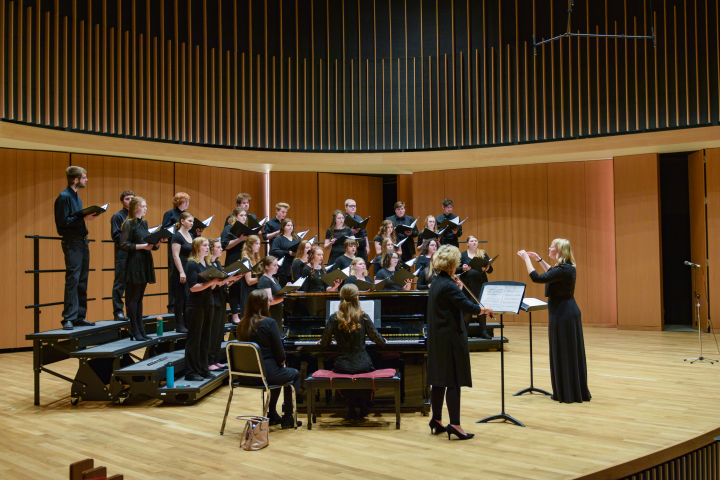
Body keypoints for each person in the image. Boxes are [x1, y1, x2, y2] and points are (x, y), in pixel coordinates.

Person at [427, 245, 493, 440]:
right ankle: (455, 425)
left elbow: (452, 303)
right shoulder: (448, 285)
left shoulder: (438, 282)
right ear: (452, 264)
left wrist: (460, 290)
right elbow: (469, 307)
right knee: (454, 382)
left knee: (438, 381)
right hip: (450, 339)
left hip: (438, 338)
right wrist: (484, 309)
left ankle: (436, 420)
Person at [518, 239, 591, 404]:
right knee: (567, 351)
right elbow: (552, 272)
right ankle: (570, 389)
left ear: (558, 250)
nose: (549, 248)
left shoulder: (564, 269)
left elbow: (537, 278)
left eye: (551, 246)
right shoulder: (565, 268)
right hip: (564, 312)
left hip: (564, 314)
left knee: (565, 351)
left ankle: (568, 392)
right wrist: (539, 260)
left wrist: (527, 260)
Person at [237, 289, 301, 428]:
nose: (269, 303)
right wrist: (282, 363)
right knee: (293, 374)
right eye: (269, 301)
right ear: (263, 305)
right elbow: (280, 354)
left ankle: (271, 414)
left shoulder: (241, 324)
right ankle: (288, 418)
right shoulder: (269, 323)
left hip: (245, 375)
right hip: (266, 374)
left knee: (277, 372)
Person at [320, 284, 387, 418]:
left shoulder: (334, 318)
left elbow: (324, 344)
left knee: (348, 370)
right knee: (368, 364)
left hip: (342, 365)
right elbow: (379, 341)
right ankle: (364, 404)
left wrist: (327, 342)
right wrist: (383, 339)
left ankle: (350, 406)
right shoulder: (364, 317)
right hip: (362, 363)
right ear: (357, 298)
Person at [54, 166, 98, 330]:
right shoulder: (64, 197)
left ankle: (79, 315)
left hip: (81, 241)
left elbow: (75, 218)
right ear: (76, 179)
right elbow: (62, 223)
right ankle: (68, 317)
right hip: (72, 241)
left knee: (82, 278)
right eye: (84, 177)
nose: (86, 180)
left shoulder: (76, 197)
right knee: (73, 278)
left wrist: (84, 217)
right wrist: (83, 218)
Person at [120, 197, 163, 340]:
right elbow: (124, 245)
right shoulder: (128, 223)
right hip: (134, 262)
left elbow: (148, 244)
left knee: (139, 298)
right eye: (142, 206)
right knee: (133, 297)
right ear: (135, 208)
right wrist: (144, 246)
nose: (145, 208)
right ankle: (134, 329)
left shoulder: (144, 223)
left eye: (145, 206)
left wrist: (157, 243)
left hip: (145, 261)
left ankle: (140, 329)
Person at [184, 237, 222, 381]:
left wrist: (222, 281)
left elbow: (210, 286)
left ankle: (203, 369)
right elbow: (193, 287)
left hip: (208, 303)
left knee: (206, 338)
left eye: (208, 245)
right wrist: (212, 282)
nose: (208, 248)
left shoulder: (206, 265)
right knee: (194, 339)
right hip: (195, 305)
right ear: (197, 248)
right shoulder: (192, 264)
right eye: (204, 245)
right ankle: (191, 372)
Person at [207, 238, 240, 371]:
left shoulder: (218, 264)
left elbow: (221, 282)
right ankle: (209, 361)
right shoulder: (208, 264)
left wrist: (230, 281)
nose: (221, 249)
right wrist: (227, 279)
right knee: (212, 332)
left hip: (220, 299)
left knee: (219, 331)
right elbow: (211, 285)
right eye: (218, 247)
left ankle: (215, 360)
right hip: (212, 301)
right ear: (211, 249)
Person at [458, 235, 493, 339]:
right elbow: (456, 269)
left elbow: (490, 270)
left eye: (476, 241)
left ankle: (483, 331)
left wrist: (487, 268)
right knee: (467, 310)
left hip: (480, 284)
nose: (474, 242)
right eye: (472, 241)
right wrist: (463, 269)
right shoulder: (462, 255)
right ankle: (465, 332)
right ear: (467, 243)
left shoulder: (482, 253)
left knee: (482, 308)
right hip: (467, 285)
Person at [162, 192, 191, 313]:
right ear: (178, 202)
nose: (187, 204)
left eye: (188, 201)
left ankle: (186, 303)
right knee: (175, 276)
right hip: (175, 246)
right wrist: (177, 226)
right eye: (185, 201)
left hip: (187, 248)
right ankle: (172, 305)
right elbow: (164, 229)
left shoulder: (188, 215)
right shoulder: (170, 213)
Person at [221, 207, 249, 323]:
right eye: (241, 215)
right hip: (233, 259)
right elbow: (225, 245)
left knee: (243, 287)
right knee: (233, 287)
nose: (244, 217)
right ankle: (234, 315)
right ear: (235, 217)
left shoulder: (245, 229)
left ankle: (244, 314)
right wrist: (240, 239)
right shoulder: (229, 228)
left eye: (245, 215)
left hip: (244, 258)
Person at [110, 190, 134, 321]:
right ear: (122, 201)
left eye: (132, 199)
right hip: (123, 253)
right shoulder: (118, 216)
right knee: (120, 283)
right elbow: (115, 235)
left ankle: (132, 310)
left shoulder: (136, 217)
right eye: (127, 199)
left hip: (134, 253)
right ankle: (118, 311)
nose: (130, 201)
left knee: (132, 283)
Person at [170, 211, 195, 333]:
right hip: (181, 270)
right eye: (190, 221)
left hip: (189, 270)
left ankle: (187, 322)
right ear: (182, 221)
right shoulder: (177, 236)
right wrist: (181, 272)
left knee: (188, 298)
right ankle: (179, 324)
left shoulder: (191, 235)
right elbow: (175, 255)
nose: (192, 223)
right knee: (180, 298)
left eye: (192, 222)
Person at [237, 235, 264, 323]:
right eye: (256, 243)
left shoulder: (255, 258)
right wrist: (262, 277)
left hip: (254, 293)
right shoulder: (245, 260)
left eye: (259, 244)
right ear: (250, 245)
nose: (259, 246)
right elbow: (249, 281)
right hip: (248, 294)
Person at [257, 256, 286, 330]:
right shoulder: (264, 280)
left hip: (277, 313)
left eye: (277, 265)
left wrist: (287, 288)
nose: (277, 267)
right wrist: (285, 296)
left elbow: (278, 293)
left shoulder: (274, 278)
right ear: (266, 267)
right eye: (274, 265)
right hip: (270, 314)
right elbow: (269, 301)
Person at [270, 218, 299, 286]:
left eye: (291, 225)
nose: (290, 227)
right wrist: (287, 252)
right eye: (288, 225)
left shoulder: (296, 238)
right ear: (283, 227)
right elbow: (274, 251)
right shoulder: (278, 239)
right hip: (284, 267)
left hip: (295, 265)